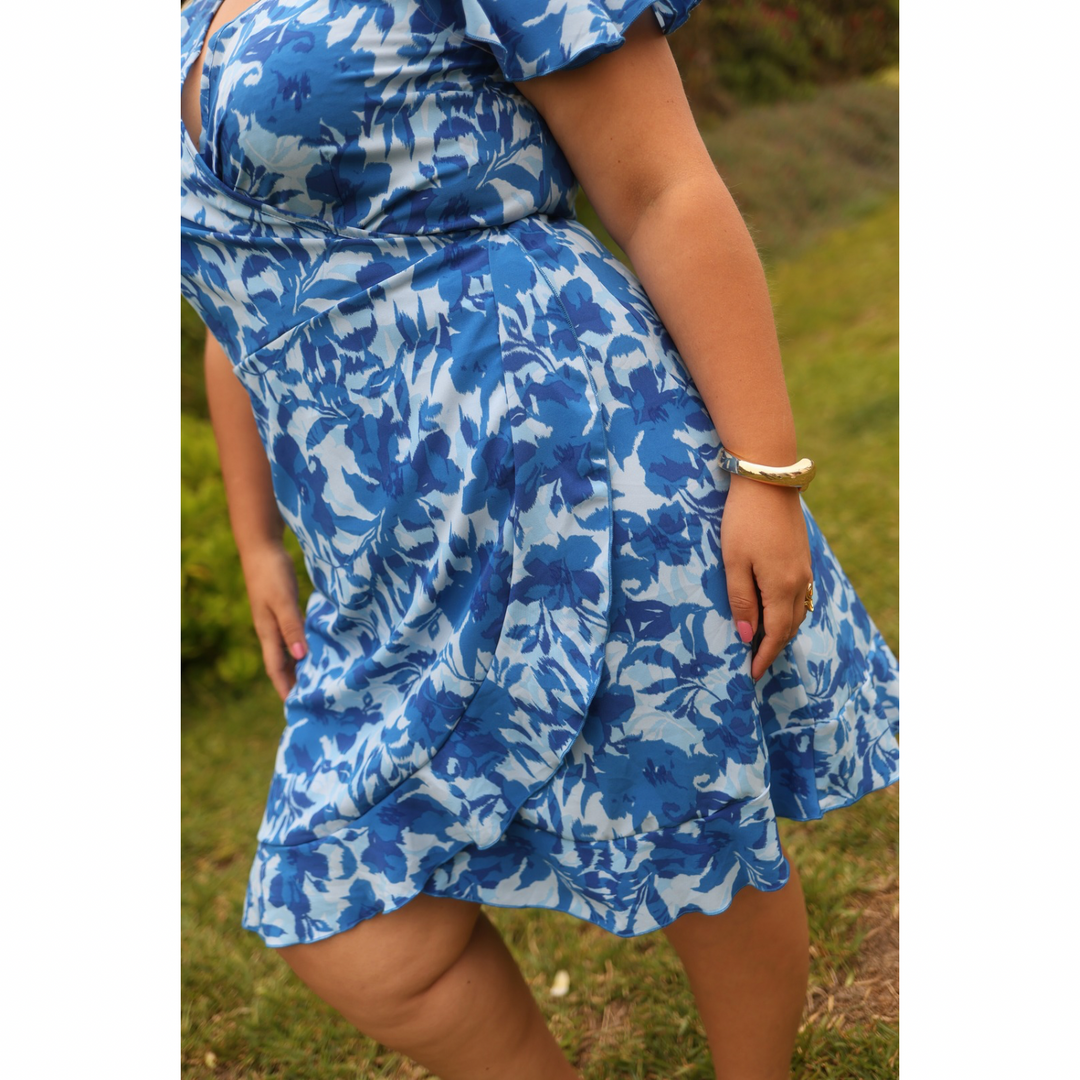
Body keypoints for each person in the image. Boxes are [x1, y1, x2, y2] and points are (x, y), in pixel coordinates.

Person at [180, 1, 900, 1077]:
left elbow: (661, 184)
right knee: (330, 902)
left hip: (570, 461)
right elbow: (236, 295)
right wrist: (257, 543)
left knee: (685, 803)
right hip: (383, 555)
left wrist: (764, 471)